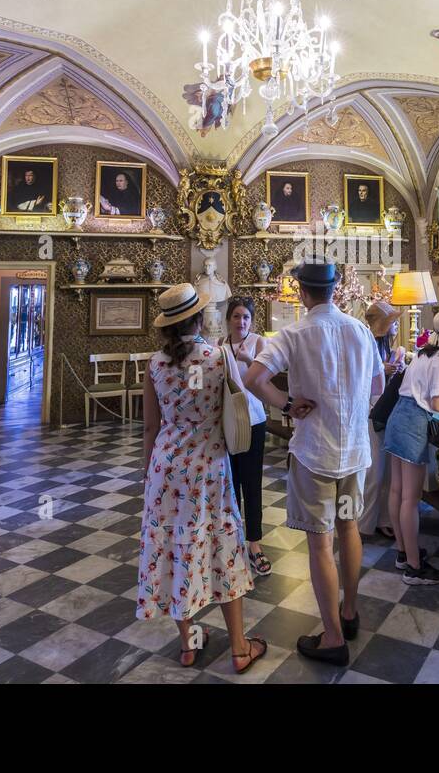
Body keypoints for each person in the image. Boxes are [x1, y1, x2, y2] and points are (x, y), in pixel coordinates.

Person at [244, 260, 384, 666]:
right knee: (349, 527)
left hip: (314, 453)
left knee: (321, 542)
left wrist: (287, 404)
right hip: (355, 451)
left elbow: (255, 378)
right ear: (335, 290)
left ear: (302, 293)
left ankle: (333, 638)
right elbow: (377, 386)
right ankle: (350, 612)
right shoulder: (360, 330)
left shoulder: (294, 333)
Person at [136, 283, 267, 673]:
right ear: (200, 318)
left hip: (166, 469)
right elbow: (239, 404)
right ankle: (240, 648)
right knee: (224, 546)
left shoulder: (155, 363)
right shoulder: (218, 356)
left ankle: (189, 643)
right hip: (208, 466)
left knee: (177, 548)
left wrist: (148, 475)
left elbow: (149, 427)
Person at [383, 308, 439, 585]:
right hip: (413, 424)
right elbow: (438, 405)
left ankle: (403, 552)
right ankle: (414, 567)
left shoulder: (424, 354)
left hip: (397, 416)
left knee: (397, 491)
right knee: (410, 498)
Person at [223, 296, 271, 577]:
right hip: (229, 422)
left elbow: (267, 378)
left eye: (246, 318)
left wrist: (248, 360)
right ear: (228, 318)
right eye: (236, 316)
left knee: (252, 484)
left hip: (254, 421)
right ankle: (230, 538)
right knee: (230, 482)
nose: (241, 322)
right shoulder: (219, 345)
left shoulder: (259, 343)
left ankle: (254, 544)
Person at [360, 300, 404, 539]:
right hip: (371, 411)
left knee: (386, 470)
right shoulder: (368, 346)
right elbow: (358, 379)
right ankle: (365, 521)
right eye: (393, 322)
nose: (396, 325)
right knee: (374, 470)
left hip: (386, 409)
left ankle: (384, 518)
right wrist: (381, 372)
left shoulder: (387, 347)